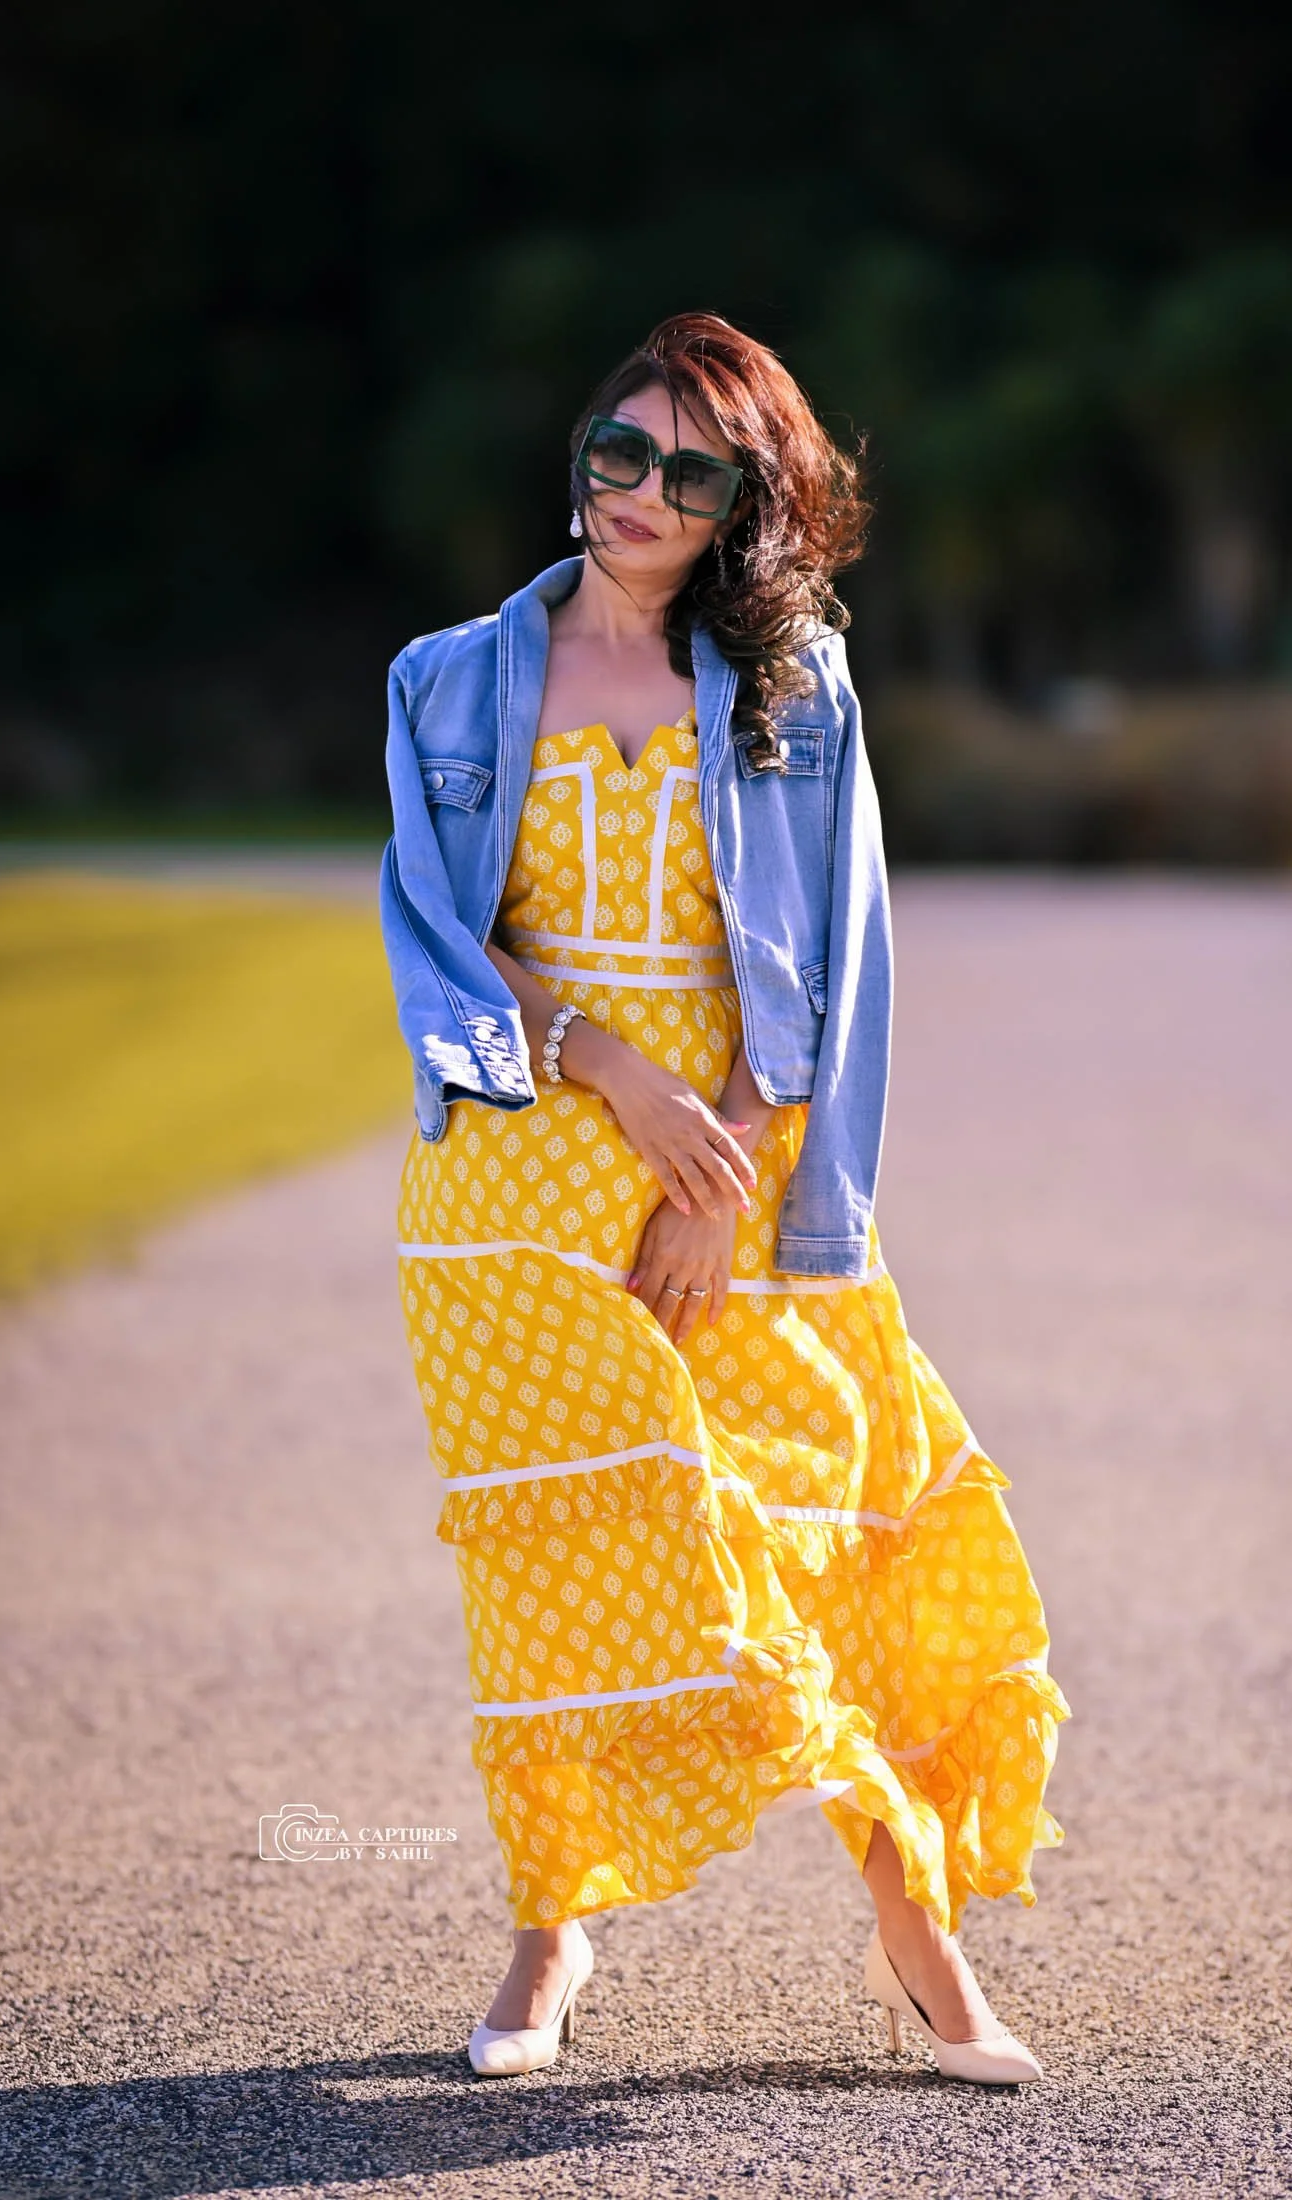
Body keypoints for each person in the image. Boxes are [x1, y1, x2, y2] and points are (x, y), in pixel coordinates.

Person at [379, 311, 1069, 2084]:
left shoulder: (791, 684)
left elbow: (833, 956)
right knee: (575, 1560)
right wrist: (606, 1062)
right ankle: (551, 1941)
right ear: (586, 448)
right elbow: (440, 948)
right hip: (521, 1178)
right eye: (622, 449)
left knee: (803, 1539)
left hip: (732, 1172)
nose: (639, 493)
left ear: (736, 504)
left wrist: (728, 1169)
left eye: (689, 472)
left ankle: (919, 1944)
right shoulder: (446, 679)